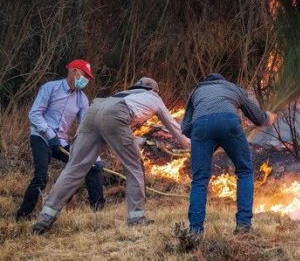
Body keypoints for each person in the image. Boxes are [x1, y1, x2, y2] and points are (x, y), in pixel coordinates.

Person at [31, 77, 190, 234]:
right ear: (155, 90)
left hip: (94, 110)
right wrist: (193, 147)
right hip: (116, 114)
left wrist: (140, 141)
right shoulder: (154, 97)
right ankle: (137, 218)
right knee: (134, 167)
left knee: (74, 167)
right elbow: (176, 130)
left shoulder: (123, 94)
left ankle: (44, 218)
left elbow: (116, 132)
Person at [181, 73, 275, 235]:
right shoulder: (232, 87)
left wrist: (204, 139)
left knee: (199, 180)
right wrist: (268, 117)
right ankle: (243, 225)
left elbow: (185, 127)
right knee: (245, 171)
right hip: (229, 123)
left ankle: (195, 232)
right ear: (222, 81)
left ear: (206, 82)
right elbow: (257, 116)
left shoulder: (197, 91)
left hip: (201, 128)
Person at [16, 59, 105, 221]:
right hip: (41, 137)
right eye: (84, 76)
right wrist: (50, 135)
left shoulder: (82, 99)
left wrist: (94, 155)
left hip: (61, 142)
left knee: (93, 167)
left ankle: (99, 213)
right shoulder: (50, 88)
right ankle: (22, 216)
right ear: (74, 71)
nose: (85, 80)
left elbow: (85, 128)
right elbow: (34, 114)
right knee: (41, 176)